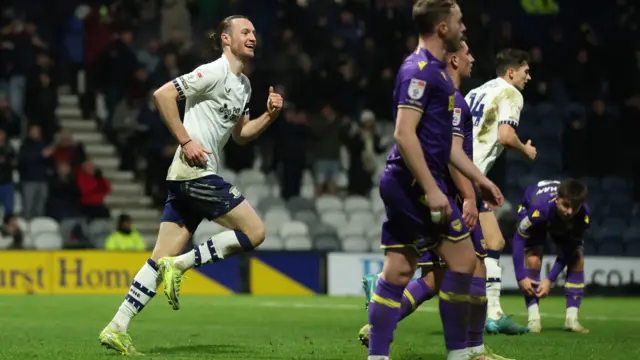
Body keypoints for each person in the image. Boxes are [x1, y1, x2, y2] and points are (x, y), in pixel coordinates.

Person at [99, 15, 283, 355]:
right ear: (226, 39)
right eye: (245, 31)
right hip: (195, 171)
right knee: (255, 232)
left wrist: (269, 116)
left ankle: (116, 326)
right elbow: (163, 94)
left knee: (158, 259)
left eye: (255, 31)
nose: (253, 36)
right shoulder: (212, 72)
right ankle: (181, 265)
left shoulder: (244, 86)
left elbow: (241, 135)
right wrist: (185, 141)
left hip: (186, 178)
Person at [365, 2, 504, 359]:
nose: (464, 28)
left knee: (398, 272)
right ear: (442, 28)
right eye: (459, 21)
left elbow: (447, 148)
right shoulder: (419, 70)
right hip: (413, 185)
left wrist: (478, 181)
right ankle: (461, 354)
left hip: (407, 183)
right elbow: (403, 134)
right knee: (464, 262)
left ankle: (377, 356)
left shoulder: (439, 74)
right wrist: (431, 188)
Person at [464, 48, 535, 335]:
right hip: (465, 177)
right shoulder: (511, 93)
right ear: (511, 72)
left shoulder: (475, 92)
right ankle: (384, 282)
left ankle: (493, 312)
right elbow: (505, 136)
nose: (529, 77)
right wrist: (525, 148)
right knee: (449, 258)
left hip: (462, 173)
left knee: (493, 242)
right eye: (525, 72)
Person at [512, 179, 590, 334]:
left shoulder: (582, 216)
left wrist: (549, 279)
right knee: (533, 258)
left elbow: (568, 250)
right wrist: (521, 277)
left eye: (575, 207)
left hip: (559, 225)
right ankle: (533, 318)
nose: (569, 211)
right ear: (557, 200)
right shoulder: (538, 209)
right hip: (534, 211)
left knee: (577, 256)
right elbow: (518, 239)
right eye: (566, 205)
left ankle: (571, 319)